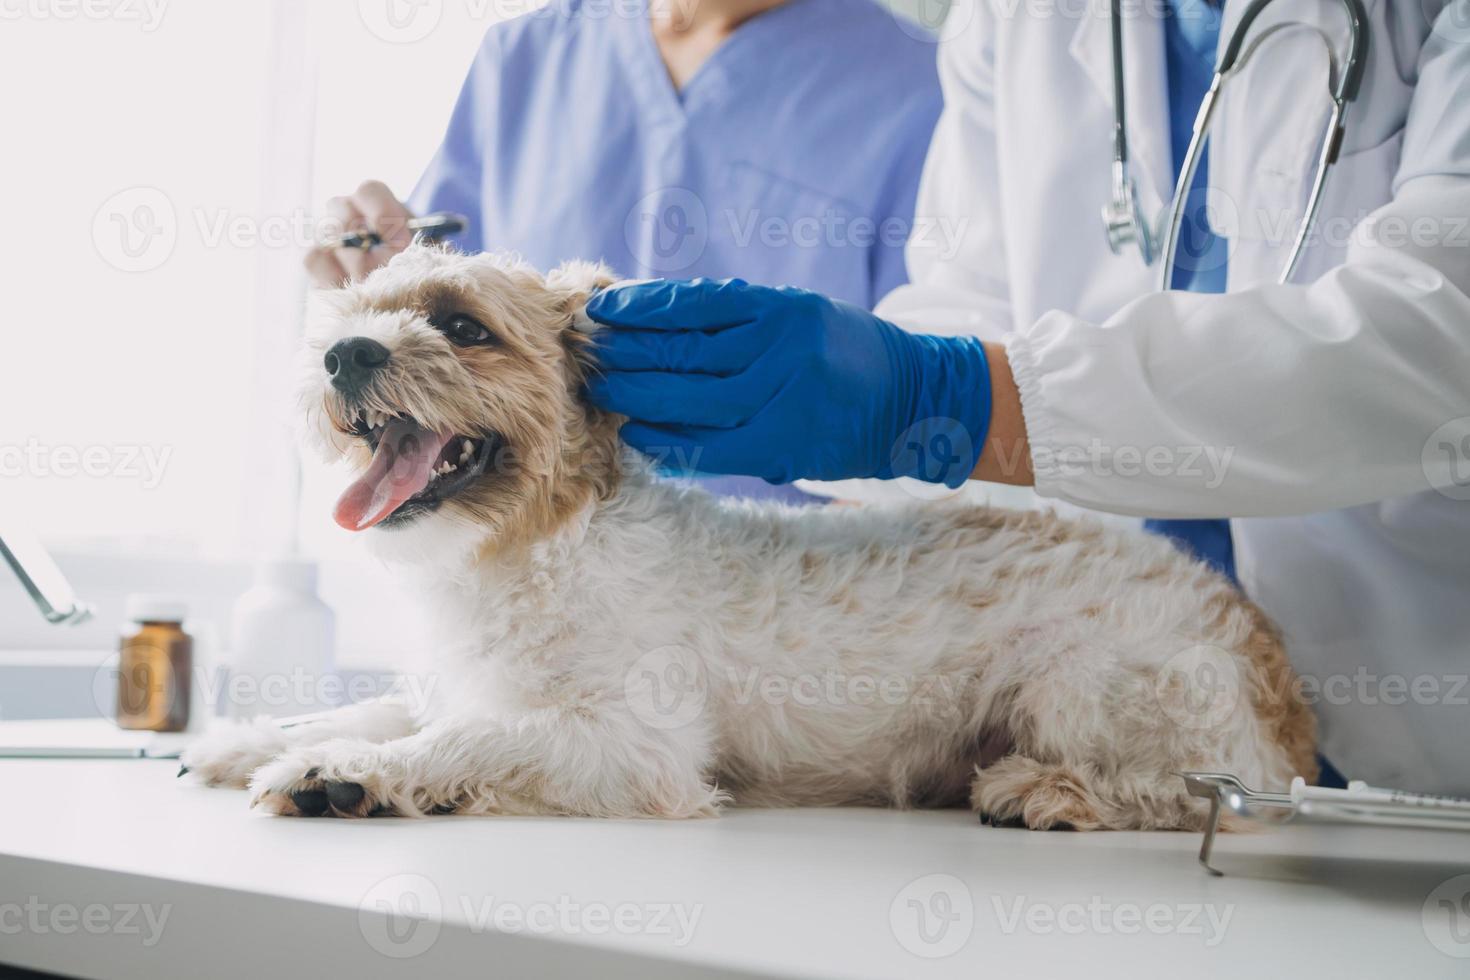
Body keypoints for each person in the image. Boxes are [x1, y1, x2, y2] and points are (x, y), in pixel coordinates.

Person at [585, 0, 1470, 793]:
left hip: (1419, 718)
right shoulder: (1012, 20)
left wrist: (948, 397)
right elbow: (967, 298)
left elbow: (1440, 331)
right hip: (1089, 741)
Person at [305, 0, 941, 500]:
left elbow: (920, 420)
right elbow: (443, 324)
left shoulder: (920, 91)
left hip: (783, 606)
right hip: (536, 593)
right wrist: (377, 272)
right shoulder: (524, 58)